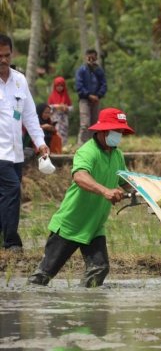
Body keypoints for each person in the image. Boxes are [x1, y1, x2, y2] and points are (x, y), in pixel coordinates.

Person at [28, 108, 134, 287]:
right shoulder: (87, 151)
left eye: (121, 131)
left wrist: (147, 192)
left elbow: (126, 182)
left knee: (99, 269)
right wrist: (106, 191)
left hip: (94, 225)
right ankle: (27, 305)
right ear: (103, 131)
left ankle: (86, 310)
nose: (119, 135)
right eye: (117, 131)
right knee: (43, 276)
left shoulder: (117, 154)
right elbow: (79, 176)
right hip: (71, 223)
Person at [0, 34, 50, 252]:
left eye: (6, 55)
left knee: (5, 195)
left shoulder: (20, 80)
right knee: (12, 190)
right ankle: (12, 242)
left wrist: (40, 143)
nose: (3, 60)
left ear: (12, 54)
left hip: (16, 153)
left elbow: (30, 116)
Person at [75, 49, 106, 145]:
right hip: (84, 99)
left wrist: (98, 95)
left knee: (95, 124)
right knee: (85, 124)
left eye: (93, 57)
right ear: (86, 57)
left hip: (96, 100)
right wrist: (89, 95)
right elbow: (79, 86)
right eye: (89, 57)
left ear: (96, 57)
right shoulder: (81, 70)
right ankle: (81, 145)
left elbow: (104, 84)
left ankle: (94, 144)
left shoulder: (99, 70)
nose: (91, 59)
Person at [47, 76, 73, 148]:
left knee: (64, 134)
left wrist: (66, 108)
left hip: (64, 120)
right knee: (56, 133)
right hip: (55, 119)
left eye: (61, 86)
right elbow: (48, 107)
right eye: (57, 86)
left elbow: (71, 108)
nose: (59, 87)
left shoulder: (66, 96)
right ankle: (55, 147)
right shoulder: (52, 96)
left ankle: (63, 148)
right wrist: (57, 106)